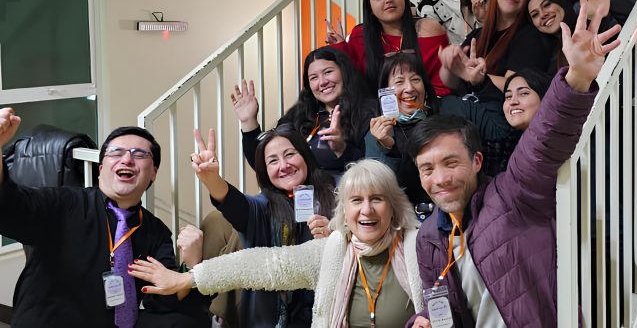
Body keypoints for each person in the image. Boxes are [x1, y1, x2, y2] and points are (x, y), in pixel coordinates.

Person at [406, 0, 622, 328]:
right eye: (427, 169)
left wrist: (577, 77)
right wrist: (421, 321)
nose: (440, 178)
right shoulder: (428, 237)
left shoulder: (512, 195)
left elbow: (543, 142)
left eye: (451, 162)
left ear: (477, 161)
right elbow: (443, 308)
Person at [130, 159, 425, 328]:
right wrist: (187, 278)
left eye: (377, 199)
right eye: (357, 200)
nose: (367, 210)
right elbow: (260, 264)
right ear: (345, 212)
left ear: (393, 206)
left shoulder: (418, 247)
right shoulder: (332, 250)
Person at [0, 109, 208, 327]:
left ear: (153, 173)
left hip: (114, 323)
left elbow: (164, 301)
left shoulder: (155, 231)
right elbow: (11, 208)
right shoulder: (63, 203)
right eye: (116, 153)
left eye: (139, 154)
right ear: (101, 169)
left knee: (185, 322)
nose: (127, 159)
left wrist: (191, 263)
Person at [191, 126, 337, 327]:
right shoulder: (262, 208)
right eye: (273, 161)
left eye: (290, 154)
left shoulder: (336, 199)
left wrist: (334, 238)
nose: (284, 165)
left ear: (304, 155)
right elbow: (235, 205)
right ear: (265, 172)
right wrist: (212, 180)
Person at [232, 47, 374, 182]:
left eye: (328, 72)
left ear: (344, 72)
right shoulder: (298, 115)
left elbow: (374, 170)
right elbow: (263, 164)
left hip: (344, 193)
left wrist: (342, 149)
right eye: (314, 78)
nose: (322, 82)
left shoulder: (368, 112)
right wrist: (248, 122)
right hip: (297, 194)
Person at [326, 0, 451, 96]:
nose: (388, 0)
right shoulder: (360, 35)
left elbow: (441, 86)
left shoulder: (427, 29)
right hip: (374, 107)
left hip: (422, 105)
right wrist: (341, 48)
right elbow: (354, 82)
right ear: (370, 8)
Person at [440, 0, 555, 98]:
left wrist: (478, 78)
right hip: (462, 105)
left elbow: (515, 87)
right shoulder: (477, 34)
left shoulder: (530, 37)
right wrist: (448, 65)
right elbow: (451, 83)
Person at [365, 53, 437, 210]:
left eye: (416, 80)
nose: (409, 88)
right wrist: (388, 147)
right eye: (399, 82)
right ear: (386, 92)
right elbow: (382, 191)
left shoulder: (440, 120)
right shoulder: (375, 134)